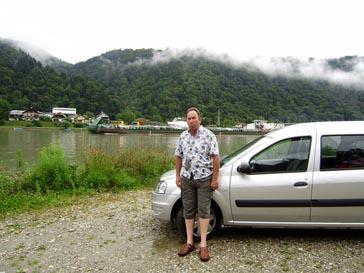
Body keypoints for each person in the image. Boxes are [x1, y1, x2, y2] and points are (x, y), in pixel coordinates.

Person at [175, 107, 220, 262]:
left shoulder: (209, 135)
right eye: (189, 118)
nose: (191, 120)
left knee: (204, 211)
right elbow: (178, 157)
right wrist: (177, 176)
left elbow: (215, 158)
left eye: (194, 118)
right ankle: (189, 242)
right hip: (187, 178)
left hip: (204, 179)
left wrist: (215, 179)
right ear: (186, 121)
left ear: (199, 119)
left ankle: (203, 245)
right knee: (188, 210)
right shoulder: (182, 137)